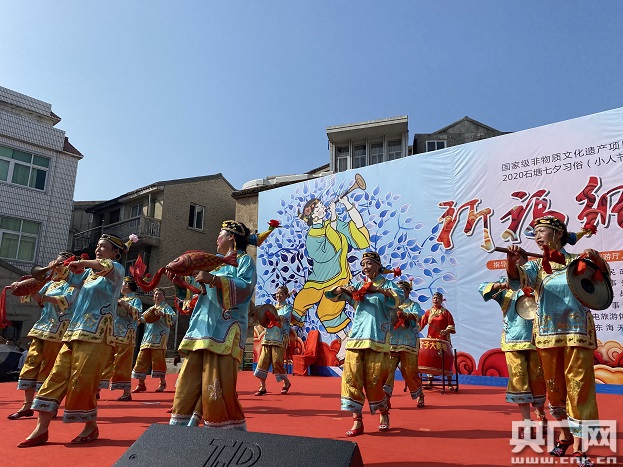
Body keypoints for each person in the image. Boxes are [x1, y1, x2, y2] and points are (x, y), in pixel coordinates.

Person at [506, 216, 606, 466]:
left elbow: (601, 287)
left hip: (578, 333)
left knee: (579, 387)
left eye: (542, 231)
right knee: (555, 389)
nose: (537, 236)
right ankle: (565, 437)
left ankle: (582, 447)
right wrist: (511, 260)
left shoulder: (577, 262)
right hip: (548, 336)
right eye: (535, 233)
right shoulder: (536, 266)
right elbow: (517, 280)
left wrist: (598, 261)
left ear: (558, 233)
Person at [17, 234, 127, 448]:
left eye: (104, 247)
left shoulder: (116, 270)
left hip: (97, 334)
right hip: (74, 331)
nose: (99, 249)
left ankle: (90, 426)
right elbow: (69, 278)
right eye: (98, 246)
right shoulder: (87, 275)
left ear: (115, 253)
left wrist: (79, 261)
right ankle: (41, 428)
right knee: (56, 376)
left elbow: (101, 265)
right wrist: (57, 268)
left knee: (82, 381)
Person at [169, 220, 258, 429]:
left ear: (231, 238)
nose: (216, 238)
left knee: (215, 383)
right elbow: (193, 295)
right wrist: (179, 283)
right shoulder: (212, 261)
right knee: (187, 382)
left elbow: (245, 288)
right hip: (201, 328)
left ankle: (224, 430)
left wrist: (215, 280)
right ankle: (179, 429)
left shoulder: (245, 262)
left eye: (220, 234)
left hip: (225, 329)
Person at [325, 251, 402, 436]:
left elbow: (397, 300)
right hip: (356, 337)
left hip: (377, 338)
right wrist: (341, 289)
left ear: (378, 265)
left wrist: (378, 290)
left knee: (375, 380)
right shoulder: (358, 285)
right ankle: (357, 421)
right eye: (362, 264)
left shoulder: (389, 285)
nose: (365, 267)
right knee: (351, 378)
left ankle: (384, 413)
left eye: (368, 264)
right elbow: (331, 295)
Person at [292, 192, 370, 360]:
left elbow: (357, 227)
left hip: (338, 277)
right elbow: (325, 255)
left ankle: (345, 338)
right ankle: (290, 335)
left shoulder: (331, 224)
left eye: (321, 206)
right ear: (313, 216)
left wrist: (348, 205)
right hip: (318, 279)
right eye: (319, 208)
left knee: (326, 310)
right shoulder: (313, 236)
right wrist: (333, 218)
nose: (323, 208)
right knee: (300, 301)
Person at [8, 252, 79, 421]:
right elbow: (31, 296)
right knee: (31, 364)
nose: (55, 266)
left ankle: (47, 405)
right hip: (41, 327)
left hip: (59, 329)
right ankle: (27, 405)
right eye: (55, 262)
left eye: (59, 263)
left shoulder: (74, 282)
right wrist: (23, 287)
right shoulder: (51, 283)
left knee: (49, 367)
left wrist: (44, 297)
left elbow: (68, 301)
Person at [478, 278, 547, 437]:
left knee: (538, 381)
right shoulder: (506, 287)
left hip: (535, 340)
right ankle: (527, 421)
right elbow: (483, 289)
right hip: (513, 341)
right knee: (519, 380)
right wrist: (502, 285)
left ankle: (541, 415)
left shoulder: (535, 282)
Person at [99, 276, 143, 401]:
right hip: (112, 335)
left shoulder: (136, 300)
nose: (121, 286)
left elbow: (138, 315)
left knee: (123, 364)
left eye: (122, 284)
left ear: (127, 285)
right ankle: (97, 388)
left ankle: (126, 392)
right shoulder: (118, 299)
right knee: (105, 361)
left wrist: (126, 305)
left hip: (126, 337)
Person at [383, 280, 425, 408]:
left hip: (408, 343)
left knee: (409, 371)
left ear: (408, 291)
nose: (400, 292)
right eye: (398, 289)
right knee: (387, 371)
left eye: (402, 289)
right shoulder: (390, 304)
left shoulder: (413, 305)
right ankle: (386, 397)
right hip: (391, 342)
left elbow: (418, 316)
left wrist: (406, 316)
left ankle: (419, 394)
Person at [131, 287, 175, 393]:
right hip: (147, 337)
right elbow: (143, 318)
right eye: (155, 294)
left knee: (158, 361)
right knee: (141, 359)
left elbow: (173, 318)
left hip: (159, 338)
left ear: (164, 297)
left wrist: (163, 315)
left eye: (159, 294)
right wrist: (137, 318)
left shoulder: (166, 308)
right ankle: (141, 384)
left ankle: (162, 383)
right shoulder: (151, 309)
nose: (157, 296)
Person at [253, 285, 293, 396]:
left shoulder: (287, 308)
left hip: (279, 338)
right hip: (268, 337)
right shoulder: (271, 308)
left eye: (281, 293)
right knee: (263, 361)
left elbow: (284, 317)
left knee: (277, 362)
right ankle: (263, 386)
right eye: (277, 293)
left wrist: (272, 316)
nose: (278, 295)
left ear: (285, 295)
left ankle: (286, 382)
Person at [420, 291, 456, 387]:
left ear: (441, 300)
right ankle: (430, 381)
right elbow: (421, 323)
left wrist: (445, 331)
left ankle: (449, 382)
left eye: (437, 298)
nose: (435, 300)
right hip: (432, 339)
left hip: (443, 339)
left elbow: (451, 325)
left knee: (445, 360)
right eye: (434, 298)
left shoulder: (445, 312)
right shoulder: (429, 312)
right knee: (430, 359)